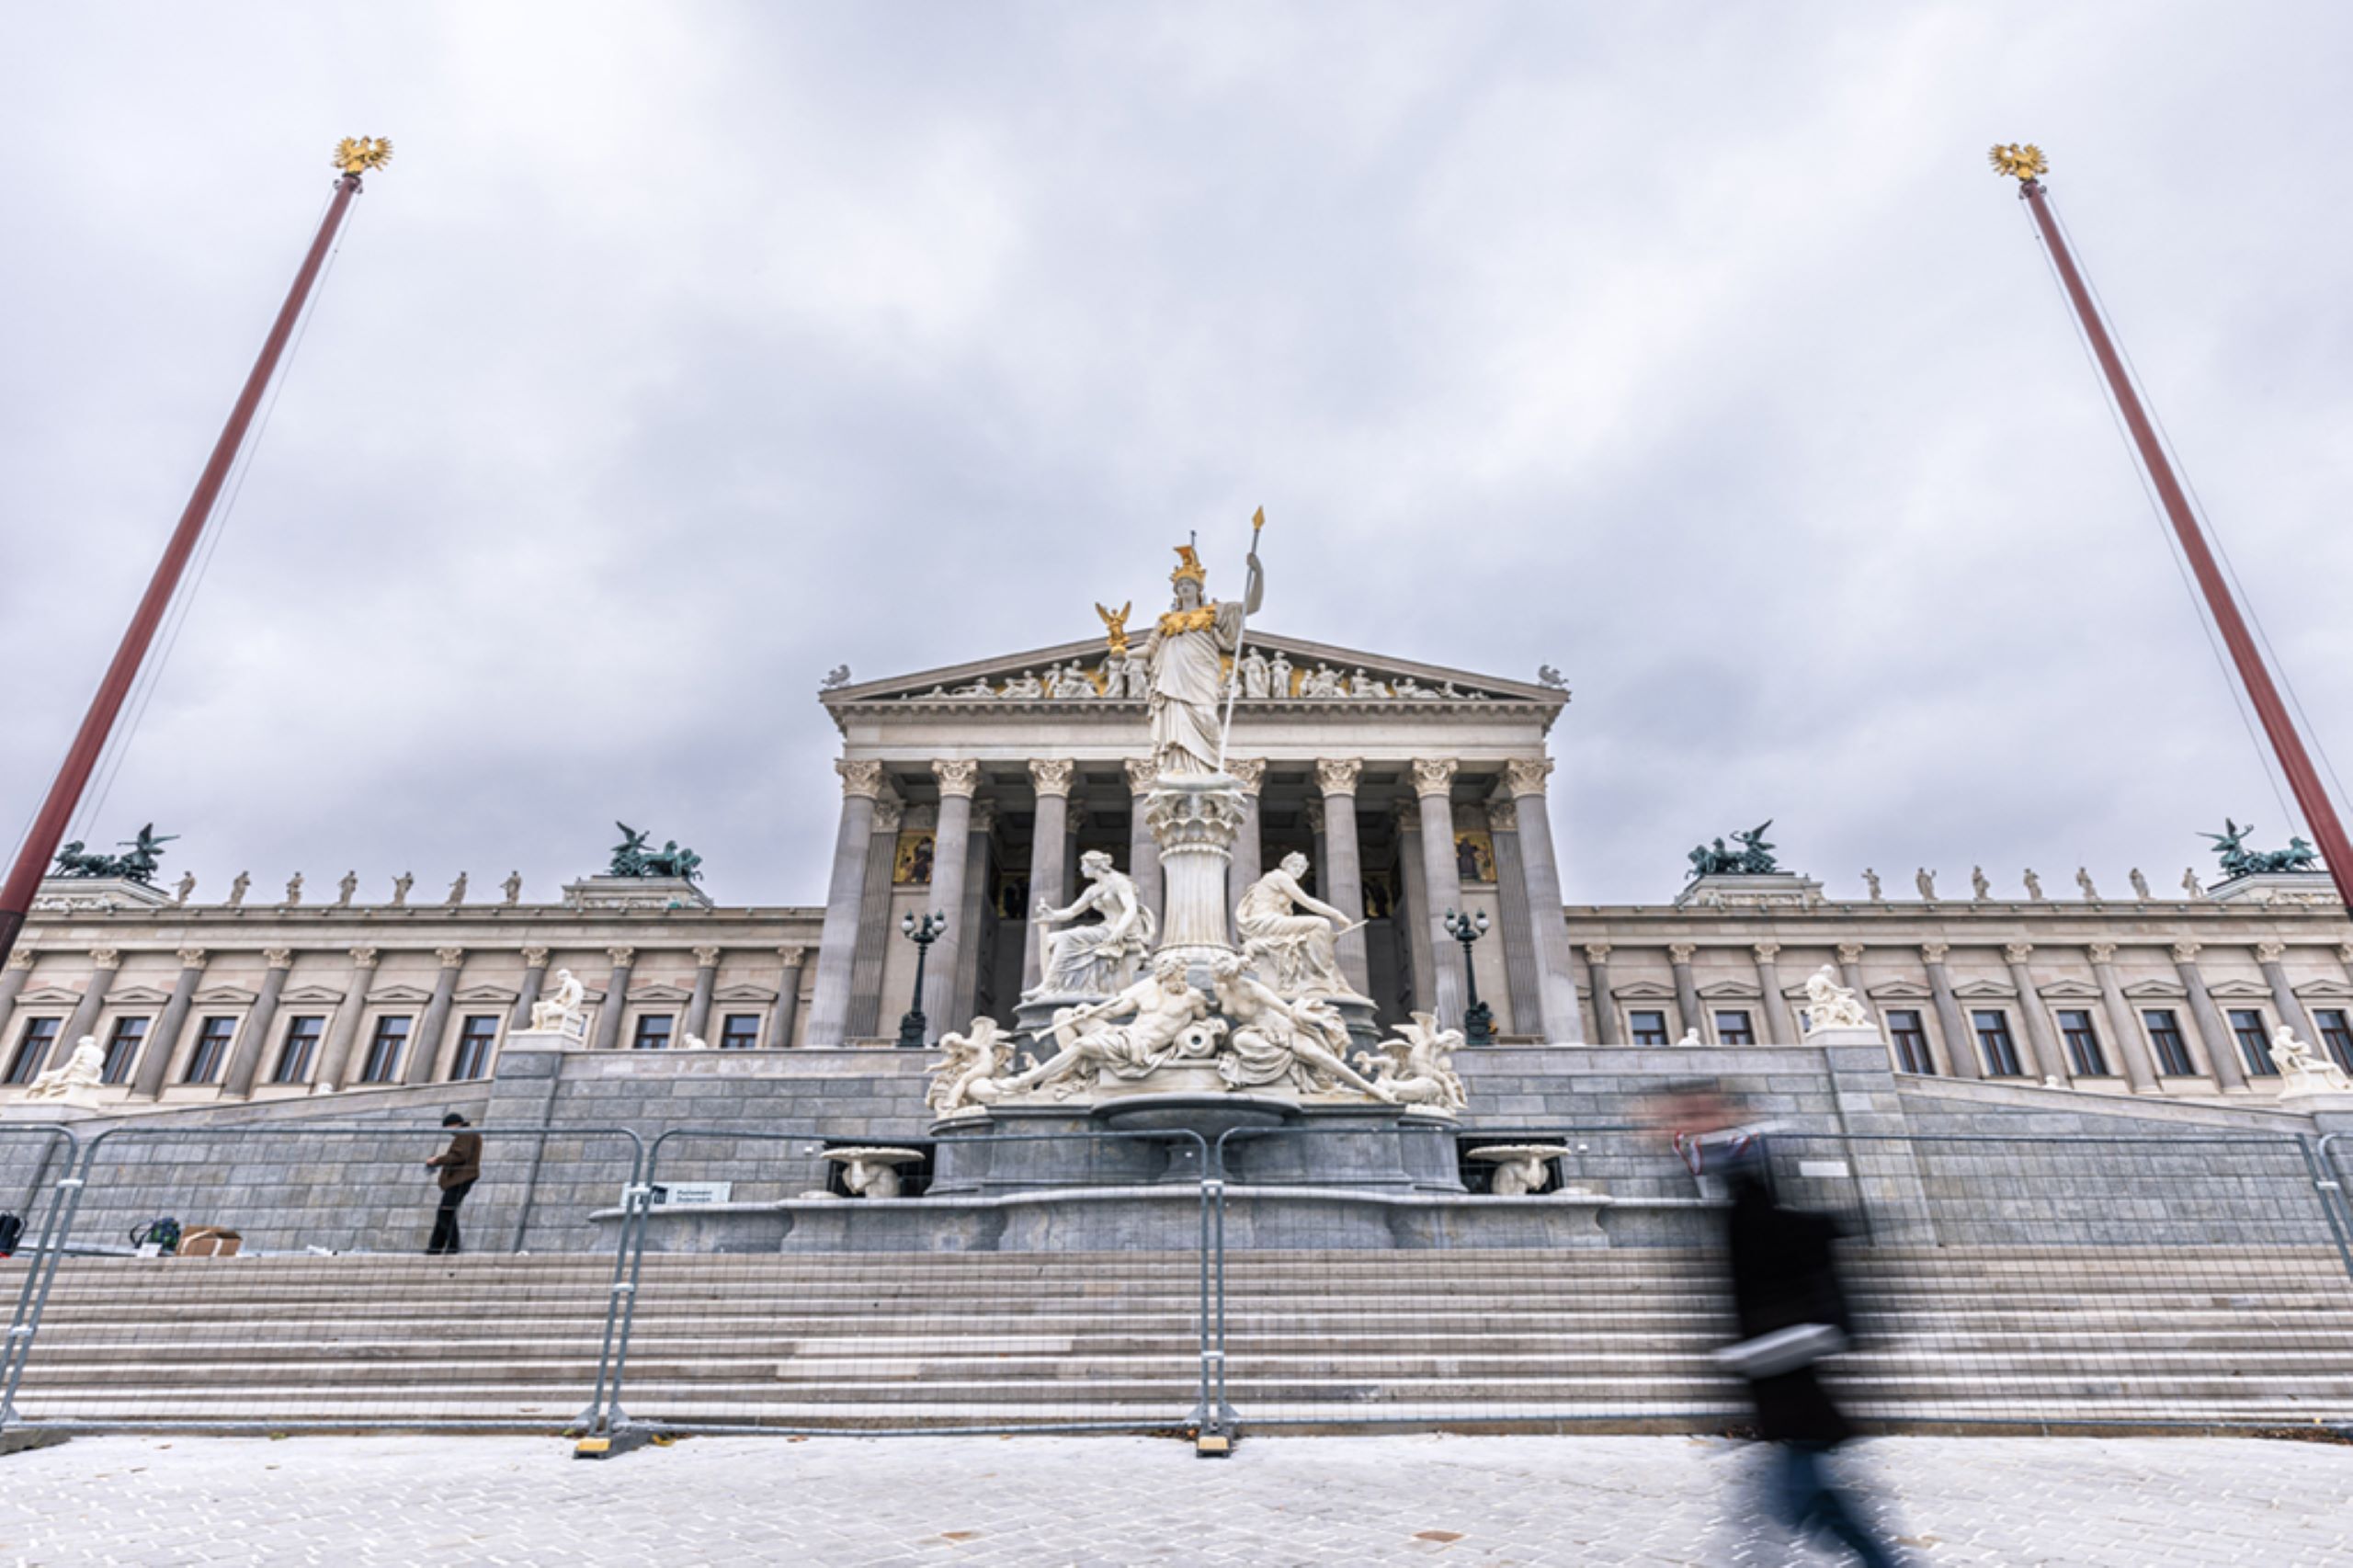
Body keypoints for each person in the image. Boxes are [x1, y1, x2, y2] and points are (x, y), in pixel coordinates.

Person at [1716, 1145, 1903, 1565]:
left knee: (1799, 1504)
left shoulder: (1762, 1236)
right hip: (1793, 1402)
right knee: (1807, 1505)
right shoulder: (1776, 1235)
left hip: (1795, 1402)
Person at [424, 1113, 482, 1256]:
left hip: (461, 1179)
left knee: (446, 1212)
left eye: (448, 1127)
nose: (448, 1131)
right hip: (460, 1178)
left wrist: (437, 1160)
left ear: (455, 1124)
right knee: (445, 1212)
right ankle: (434, 1247)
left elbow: (459, 1156)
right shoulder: (466, 1134)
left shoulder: (465, 1134)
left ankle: (452, 1247)